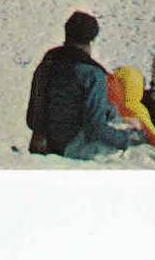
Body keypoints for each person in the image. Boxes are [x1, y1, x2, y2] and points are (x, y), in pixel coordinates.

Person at [26, 11, 146, 159]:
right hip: (73, 147)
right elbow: (95, 129)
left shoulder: (47, 64)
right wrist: (127, 138)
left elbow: (32, 118)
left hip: (43, 143)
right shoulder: (92, 74)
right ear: (91, 39)